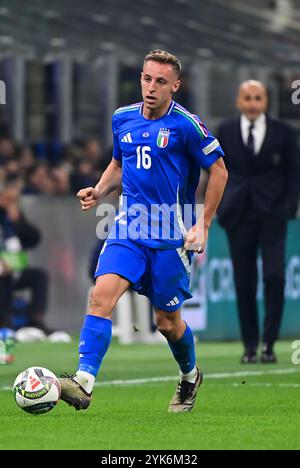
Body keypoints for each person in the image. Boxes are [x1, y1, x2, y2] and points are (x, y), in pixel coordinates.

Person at [59, 50, 228, 412]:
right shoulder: (122, 118)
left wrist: (203, 223)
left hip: (171, 235)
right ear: (140, 78)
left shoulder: (186, 125)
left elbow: (220, 171)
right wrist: (99, 189)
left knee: (167, 323)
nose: (152, 88)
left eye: (161, 82)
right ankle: (84, 382)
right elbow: (120, 163)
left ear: (175, 86)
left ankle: (189, 376)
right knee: (101, 295)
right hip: (128, 228)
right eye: (147, 79)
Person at [217, 80, 300, 364]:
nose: (252, 103)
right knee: (244, 281)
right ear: (239, 102)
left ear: (266, 101)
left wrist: (288, 207)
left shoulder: (284, 132)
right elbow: (218, 171)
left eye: (258, 98)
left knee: (274, 276)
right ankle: (250, 345)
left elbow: (294, 173)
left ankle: (269, 343)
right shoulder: (225, 131)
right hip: (238, 214)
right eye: (247, 98)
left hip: (273, 214)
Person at [0, 178, 51, 334]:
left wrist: (16, 222)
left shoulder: (12, 214)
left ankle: (35, 321)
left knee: (39, 276)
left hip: (14, 268)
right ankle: (4, 324)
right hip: (2, 271)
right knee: (3, 278)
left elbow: (33, 238)